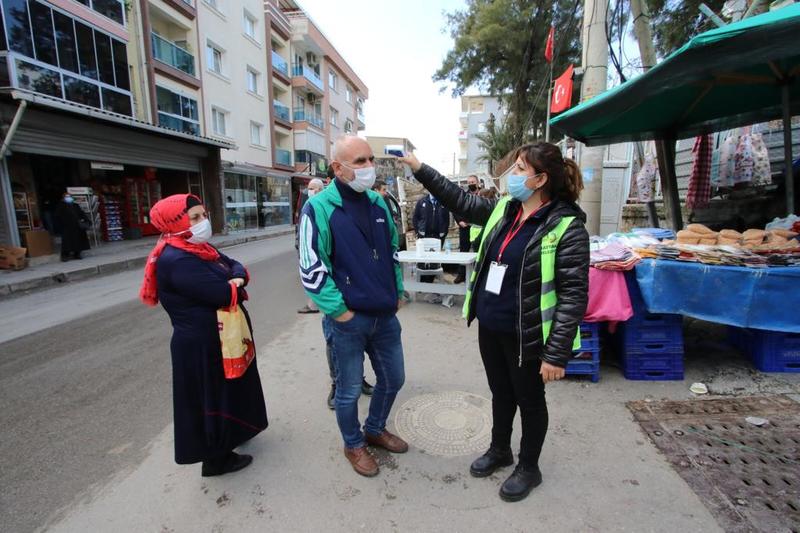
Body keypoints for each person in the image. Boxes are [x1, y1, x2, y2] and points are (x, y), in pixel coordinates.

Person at [399, 142, 589, 502]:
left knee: (530, 400)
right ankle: (500, 449)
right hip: (492, 324)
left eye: (519, 169)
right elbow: (461, 201)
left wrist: (557, 353)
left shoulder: (566, 226)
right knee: (501, 393)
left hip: (527, 333)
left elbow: (574, 295)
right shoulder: (506, 209)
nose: (510, 175)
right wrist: (420, 168)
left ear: (540, 179)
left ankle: (529, 467)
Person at [298, 135, 407, 477]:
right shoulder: (318, 207)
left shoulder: (377, 204)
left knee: (394, 379)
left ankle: (374, 429)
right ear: (337, 168)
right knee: (347, 392)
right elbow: (310, 265)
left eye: (370, 159)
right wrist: (339, 311)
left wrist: (398, 291)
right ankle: (353, 443)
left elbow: (392, 252)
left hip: (384, 316)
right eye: (359, 162)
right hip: (347, 320)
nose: (369, 167)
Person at [140, 193, 268, 477]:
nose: (203, 222)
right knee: (212, 398)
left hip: (221, 338)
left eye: (203, 215)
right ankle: (217, 459)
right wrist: (235, 284)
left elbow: (235, 266)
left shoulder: (198, 249)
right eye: (194, 217)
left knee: (232, 390)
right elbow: (224, 293)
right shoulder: (176, 259)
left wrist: (236, 278)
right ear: (175, 222)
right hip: (201, 345)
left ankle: (235, 434)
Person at [297, 178, 325, 314]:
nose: (310, 191)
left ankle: (314, 305)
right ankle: (313, 304)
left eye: (312, 188)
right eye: (309, 188)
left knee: (314, 273)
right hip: (308, 245)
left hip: (316, 247)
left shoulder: (320, 204)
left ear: (320, 189)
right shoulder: (310, 202)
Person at [453, 175, 481, 283]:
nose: (471, 184)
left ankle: (478, 276)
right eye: (469, 182)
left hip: (479, 228)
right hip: (466, 228)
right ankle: (461, 275)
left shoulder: (483, 194)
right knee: (463, 252)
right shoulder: (464, 195)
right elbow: (455, 209)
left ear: (478, 182)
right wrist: (459, 221)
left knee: (479, 252)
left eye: (473, 181)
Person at [55, 192, 90, 261]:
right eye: (66, 197)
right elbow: (57, 216)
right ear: (63, 198)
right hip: (67, 227)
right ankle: (65, 255)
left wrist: (86, 220)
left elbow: (81, 213)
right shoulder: (61, 206)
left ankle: (77, 254)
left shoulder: (75, 205)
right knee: (67, 242)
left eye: (69, 196)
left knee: (78, 241)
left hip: (77, 226)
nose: (68, 198)